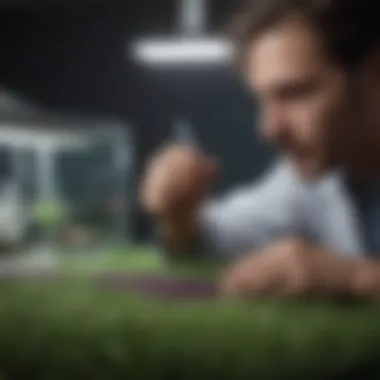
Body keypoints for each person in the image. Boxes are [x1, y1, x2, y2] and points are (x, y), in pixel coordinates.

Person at [140, 0, 380, 300]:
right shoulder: (314, 180)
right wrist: (179, 217)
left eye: (294, 93)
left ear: (373, 77)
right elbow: (215, 241)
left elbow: (353, 278)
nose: (269, 129)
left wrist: (356, 278)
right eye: (262, 100)